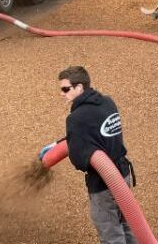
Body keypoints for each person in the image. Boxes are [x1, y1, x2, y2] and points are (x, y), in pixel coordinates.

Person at [51, 66, 137, 244]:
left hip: (103, 183)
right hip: (123, 174)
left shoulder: (76, 118)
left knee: (111, 234)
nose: (62, 94)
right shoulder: (107, 102)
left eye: (66, 89)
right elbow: (95, 130)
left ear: (80, 87)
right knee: (128, 226)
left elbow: (78, 161)